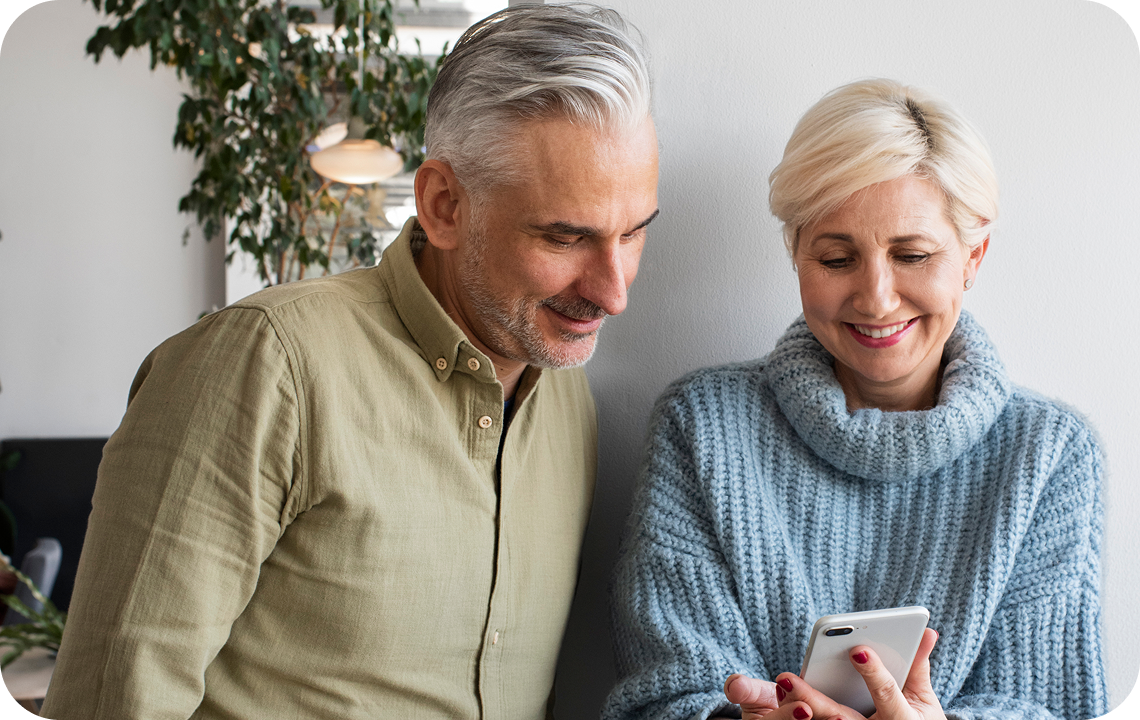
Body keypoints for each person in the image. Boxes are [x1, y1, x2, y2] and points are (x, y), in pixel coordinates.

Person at [41, 5, 658, 719]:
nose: (612, 292)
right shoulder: (266, 363)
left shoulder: (564, 396)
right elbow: (113, 699)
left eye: (635, 232)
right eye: (564, 238)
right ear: (444, 205)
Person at [604, 78, 1105, 720]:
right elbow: (663, 696)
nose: (875, 298)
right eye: (838, 258)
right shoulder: (702, 428)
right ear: (795, 254)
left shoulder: (1049, 456)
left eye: (913, 254)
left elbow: (1051, 705)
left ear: (973, 257)